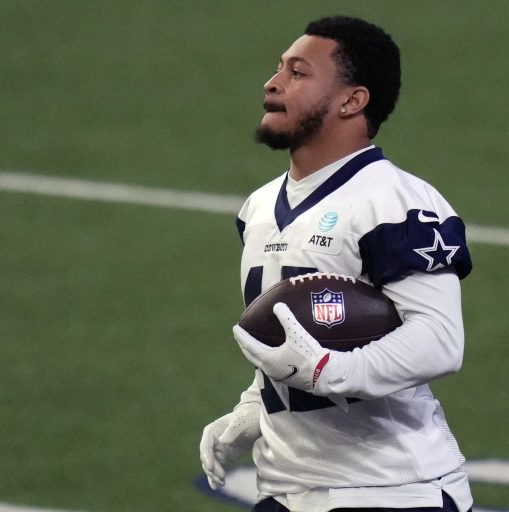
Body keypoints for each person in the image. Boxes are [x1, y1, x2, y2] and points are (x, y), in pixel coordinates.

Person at [200, 15, 474, 512]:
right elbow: (301, 335)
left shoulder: (395, 202)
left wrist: (328, 369)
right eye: (279, 68)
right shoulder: (259, 207)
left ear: (352, 100)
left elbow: (440, 341)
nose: (273, 82)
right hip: (285, 486)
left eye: (298, 73)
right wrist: (254, 409)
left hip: (390, 490)